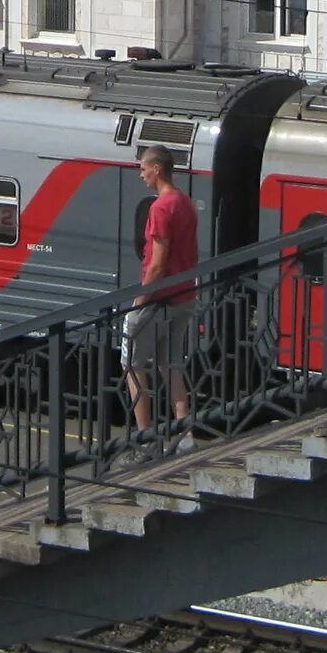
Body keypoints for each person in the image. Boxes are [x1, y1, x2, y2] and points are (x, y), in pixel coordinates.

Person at [123, 145, 199, 447]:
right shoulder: (186, 203)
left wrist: (141, 300)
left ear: (157, 169)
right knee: (171, 364)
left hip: (158, 300)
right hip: (184, 296)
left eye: (143, 168)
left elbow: (156, 263)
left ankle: (146, 437)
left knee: (133, 364)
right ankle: (185, 432)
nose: (141, 173)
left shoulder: (160, 208)